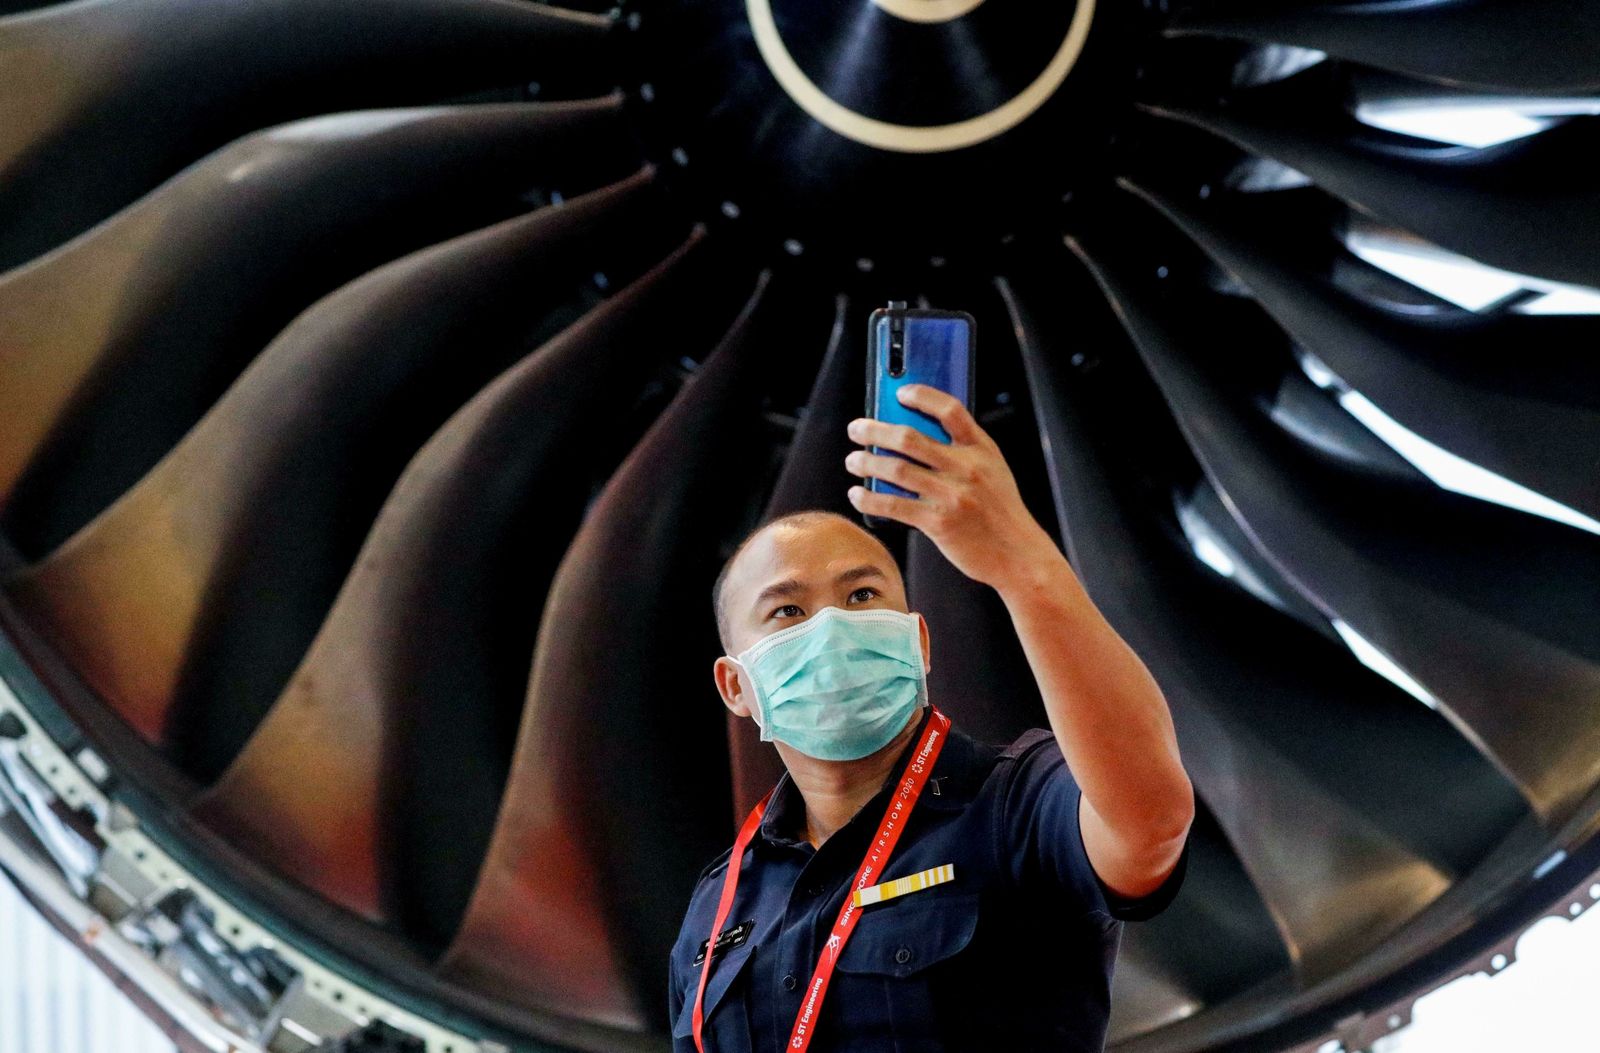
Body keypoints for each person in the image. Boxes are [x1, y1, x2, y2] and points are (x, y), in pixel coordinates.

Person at [668, 382, 1194, 1052]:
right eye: (787, 611)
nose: (832, 626)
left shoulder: (1012, 807)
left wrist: (1021, 564)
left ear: (917, 642)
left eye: (862, 594)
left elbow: (1150, 819)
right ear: (735, 684)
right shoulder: (715, 909)